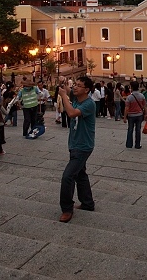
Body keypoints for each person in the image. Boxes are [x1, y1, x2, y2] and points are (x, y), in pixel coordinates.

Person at [56, 76, 96, 222]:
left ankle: (67, 208)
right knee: (80, 174)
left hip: (83, 146)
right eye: (75, 85)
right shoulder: (78, 98)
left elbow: (71, 113)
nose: (75, 87)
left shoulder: (89, 104)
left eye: (79, 86)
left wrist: (63, 96)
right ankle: (87, 203)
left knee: (68, 176)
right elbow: (68, 90)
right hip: (75, 144)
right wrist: (65, 87)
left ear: (86, 90)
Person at [123, 81, 146, 149]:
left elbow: (127, 108)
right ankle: (137, 144)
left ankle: (129, 144)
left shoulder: (129, 97)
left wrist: (124, 117)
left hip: (131, 115)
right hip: (139, 115)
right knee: (138, 130)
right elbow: (145, 106)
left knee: (130, 129)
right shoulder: (142, 96)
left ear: (131, 87)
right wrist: (146, 114)